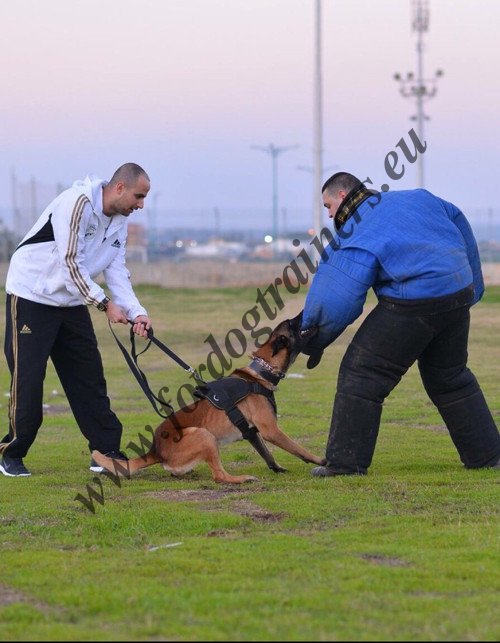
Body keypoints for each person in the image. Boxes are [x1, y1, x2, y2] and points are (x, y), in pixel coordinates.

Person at [301, 172, 500, 476]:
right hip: (456, 292)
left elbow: (336, 294)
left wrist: (312, 337)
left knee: (362, 373)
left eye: (328, 205)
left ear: (343, 196)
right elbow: (460, 224)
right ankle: (489, 457)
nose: (328, 214)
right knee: (449, 377)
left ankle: (345, 465)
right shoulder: (418, 198)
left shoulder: (357, 227)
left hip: (414, 301)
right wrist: (472, 287)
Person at [0, 163, 152, 477]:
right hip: (31, 294)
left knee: (88, 377)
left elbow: (116, 270)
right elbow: (71, 263)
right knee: (29, 381)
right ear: (120, 187)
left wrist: (138, 312)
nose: (141, 204)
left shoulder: (119, 220)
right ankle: (10, 452)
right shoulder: (76, 203)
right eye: (139, 196)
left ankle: (105, 451)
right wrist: (105, 304)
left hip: (71, 301)